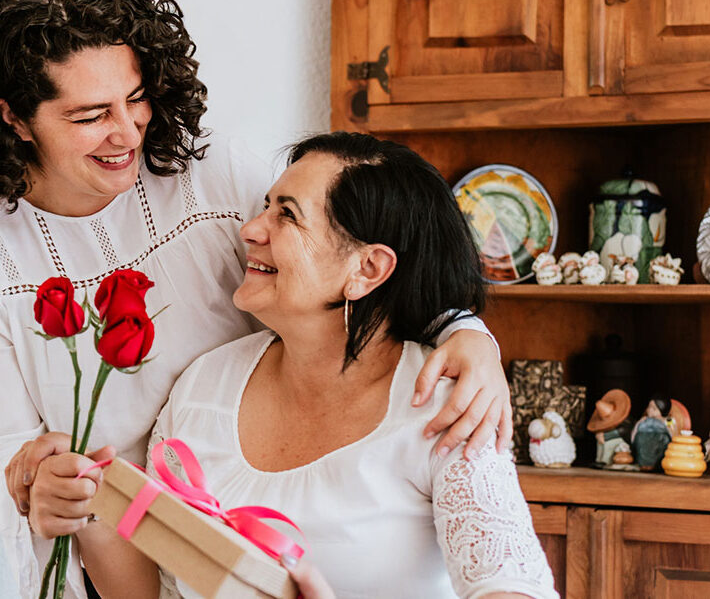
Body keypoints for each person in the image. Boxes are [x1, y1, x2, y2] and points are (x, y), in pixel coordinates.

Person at [0, 0, 512, 597]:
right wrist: (37, 484)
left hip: (261, 474)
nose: (127, 132)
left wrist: (465, 330)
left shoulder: (211, 176)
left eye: (135, 98)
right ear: (14, 117)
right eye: (90, 115)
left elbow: (346, 247)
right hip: (114, 547)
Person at [66, 133, 557, 599]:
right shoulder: (203, 386)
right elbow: (158, 589)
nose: (251, 229)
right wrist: (85, 506)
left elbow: (510, 585)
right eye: (266, 206)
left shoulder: (446, 404)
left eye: (288, 215)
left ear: (366, 269)